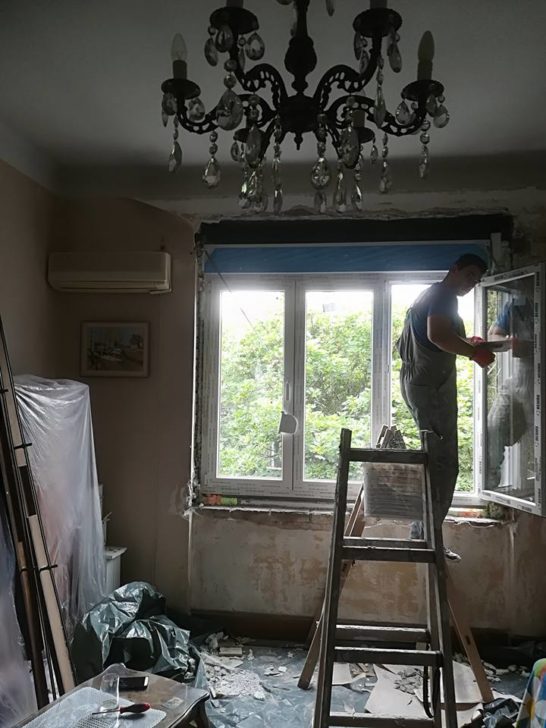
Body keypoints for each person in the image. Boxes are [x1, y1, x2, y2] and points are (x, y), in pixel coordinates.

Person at [396, 253, 494, 560]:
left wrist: (467, 343)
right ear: (454, 270)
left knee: (434, 460)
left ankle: (424, 533)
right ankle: (426, 537)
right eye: (469, 275)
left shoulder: (429, 294)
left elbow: (433, 337)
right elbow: (437, 335)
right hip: (431, 389)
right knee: (443, 464)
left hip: (419, 383)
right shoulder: (444, 296)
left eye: (477, 280)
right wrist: (473, 353)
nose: (472, 283)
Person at [486, 280, 534, 493]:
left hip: (538, 383)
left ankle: (532, 490)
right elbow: (493, 334)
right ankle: (491, 486)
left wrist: (532, 346)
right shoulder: (515, 305)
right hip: (518, 379)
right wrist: (509, 341)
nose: (521, 290)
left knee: (535, 437)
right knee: (494, 425)